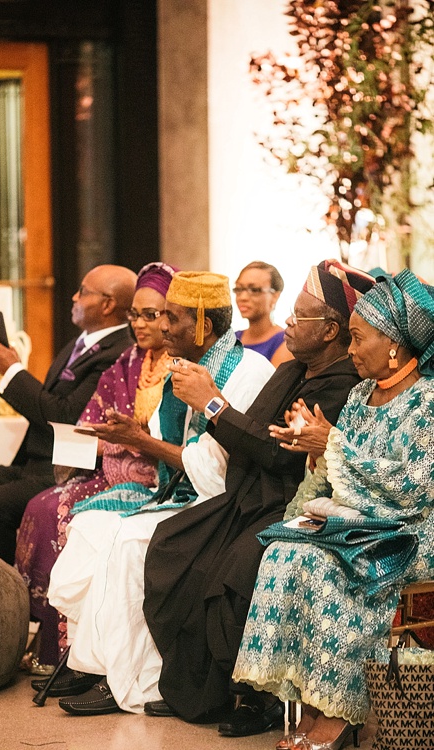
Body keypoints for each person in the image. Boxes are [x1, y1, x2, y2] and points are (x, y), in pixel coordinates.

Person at [143, 260, 374, 735]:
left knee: (228, 575)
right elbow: (258, 437)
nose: (287, 322)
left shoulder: (343, 384)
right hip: (245, 496)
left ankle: (257, 697)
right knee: (173, 549)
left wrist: (211, 403)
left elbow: (275, 452)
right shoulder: (292, 370)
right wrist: (219, 411)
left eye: (300, 317)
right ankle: (201, 691)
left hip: (287, 504)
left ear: (331, 330)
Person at [43, 271, 274, 715]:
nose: (162, 326)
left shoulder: (247, 374)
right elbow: (180, 448)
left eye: (172, 317)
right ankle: (93, 662)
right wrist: (134, 433)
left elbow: (214, 472)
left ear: (204, 327)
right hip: (180, 489)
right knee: (90, 525)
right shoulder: (181, 370)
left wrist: (145, 442)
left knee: (127, 544)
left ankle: (135, 681)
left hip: (219, 504)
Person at [231, 268, 434, 749]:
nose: (350, 349)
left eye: (358, 339)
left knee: (329, 567)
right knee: (283, 553)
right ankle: (312, 703)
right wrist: (316, 445)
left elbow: (418, 485)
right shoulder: (362, 394)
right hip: (358, 519)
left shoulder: (428, 402)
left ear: (394, 345)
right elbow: (343, 467)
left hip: (412, 530)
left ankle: (340, 714)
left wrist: (336, 445)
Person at [16, 262, 176, 670]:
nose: (140, 324)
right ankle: (50, 640)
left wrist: (133, 438)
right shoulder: (126, 361)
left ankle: (74, 651)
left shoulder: (180, 366)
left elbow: (175, 441)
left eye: (151, 315)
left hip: (154, 477)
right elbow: (92, 420)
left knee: (63, 515)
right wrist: (107, 438)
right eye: (135, 315)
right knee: (41, 506)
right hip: (109, 467)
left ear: (172, 317)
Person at [0, 264, 137, 565]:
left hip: (67, 470)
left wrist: (13, 371)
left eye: (83, 291)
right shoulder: (81, 341)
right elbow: (50, 404)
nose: (73, 297)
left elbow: (66, 416)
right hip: (34, 463)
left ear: (107, 304)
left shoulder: (117, 353)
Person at [234, 260, 292, 367]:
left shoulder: (286, 342)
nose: (243, 297)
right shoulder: (232, 340)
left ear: (275, 296)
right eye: (239, 289)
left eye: (254, 290)